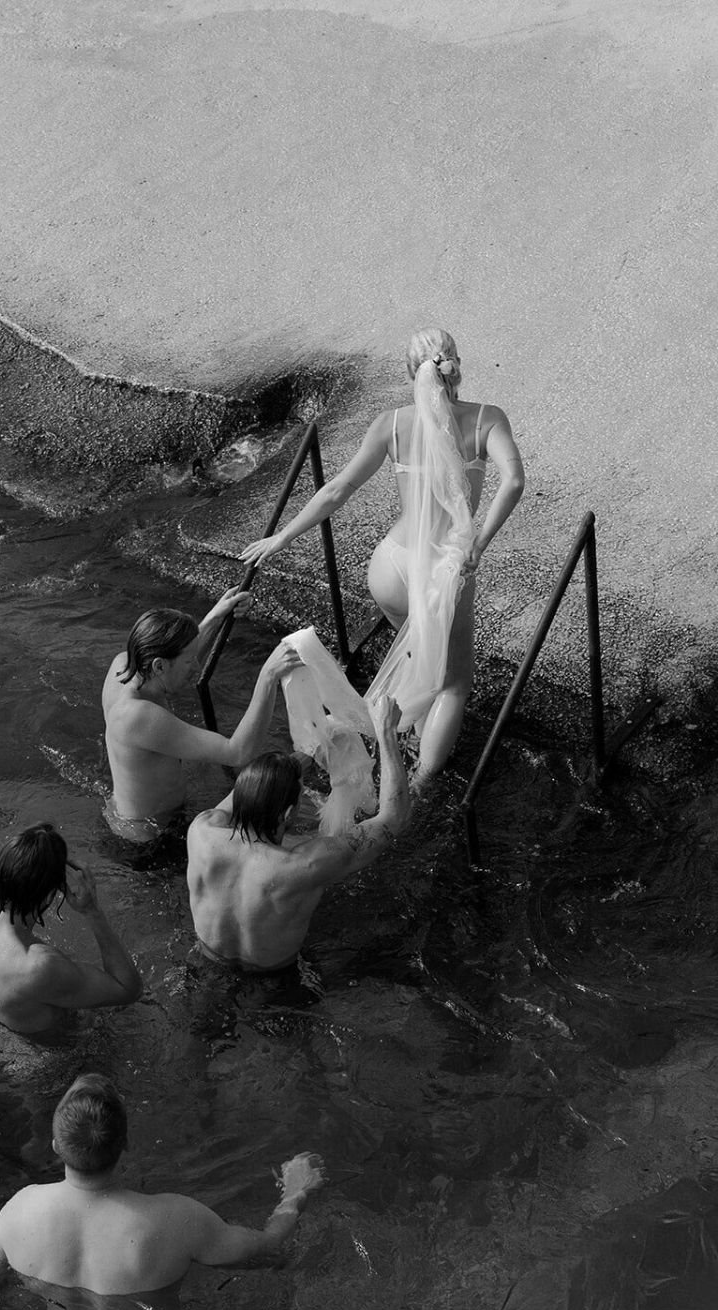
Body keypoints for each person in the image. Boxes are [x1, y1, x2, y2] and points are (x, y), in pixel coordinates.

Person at [240, 328, 525, 788]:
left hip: (390, 567)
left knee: (419, 655)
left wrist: (281, 537)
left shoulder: (390, 424)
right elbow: (513, 481)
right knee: (454, 680)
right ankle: (416, 789)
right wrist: (477, 541)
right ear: (454, 363)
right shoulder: (486, 420)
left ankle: (402, 738)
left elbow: (336, 490)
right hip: (442, 571)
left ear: (412, 374)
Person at [0, 1073, 325, 1310]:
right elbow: (273, 1250)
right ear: (126, 1146)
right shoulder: (175, 1219)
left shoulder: (19, 1210)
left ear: (56, 1147)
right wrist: (296, 1192)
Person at [187, 694, 410, 971]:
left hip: (205, 964)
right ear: (289, 813)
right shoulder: (305, 864)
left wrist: (322, 736)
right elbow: (393, 817)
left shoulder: (202, 831)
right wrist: (386, 734)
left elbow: (256, 785)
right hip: (275, 981)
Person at [101, 586, 301, 842]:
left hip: (141, 816)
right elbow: (238, 752)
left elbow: (175, 660)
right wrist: (268, 676)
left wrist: (216, 616)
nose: (196, 667)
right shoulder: (138, 716)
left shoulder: (125, 665)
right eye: (189, 661)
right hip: (149, 840)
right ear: (159, 665)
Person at [0, 823, 142, 1036]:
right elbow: (128, 990)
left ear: (0, 873)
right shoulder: (39, 967)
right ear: (51, 894)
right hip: (48, 1063)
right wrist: (92, 911)